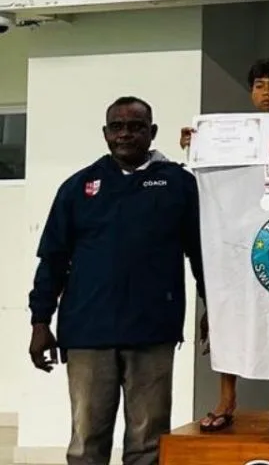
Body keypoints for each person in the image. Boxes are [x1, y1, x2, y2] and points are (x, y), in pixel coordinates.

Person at [29, 97, 205, 465]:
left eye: (136, 126)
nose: (125, 134)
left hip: (152, 329)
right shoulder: (78, 187)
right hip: (87, 332)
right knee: (86, 443)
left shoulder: (178, 183)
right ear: (105, 133)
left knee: (148, 444)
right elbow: (53, 259)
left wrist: (213, 308)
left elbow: (201, 253)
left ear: (151, 132)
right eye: (117, 127)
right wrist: (40, 321)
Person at [180, 56, 269, 433]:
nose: (266, 92)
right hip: (238, 235)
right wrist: (195, 147)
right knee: (230, 314)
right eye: (259, 85)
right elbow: (215, 177)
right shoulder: (233, 132)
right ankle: (227, 398)